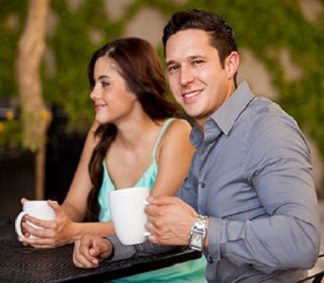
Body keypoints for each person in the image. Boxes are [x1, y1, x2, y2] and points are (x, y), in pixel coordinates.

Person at [73, 9, 321, 283]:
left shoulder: (266, 129)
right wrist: (109, 247)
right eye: (174, 67)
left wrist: (199, 230)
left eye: (197, 62)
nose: (184, 78)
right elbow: (168, 226)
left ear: (230, 65)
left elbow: (302, 241)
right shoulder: (205, 140)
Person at [18, 37, 206, 282]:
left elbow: (149, 224)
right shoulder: (99, 134)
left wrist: (73, 232)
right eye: (94, 83)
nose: (94, 93)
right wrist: (45, 223)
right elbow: (74, 206)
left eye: (104, 83)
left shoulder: (177, 134)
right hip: (110, 269)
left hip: (170, 275)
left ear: (136, 85)